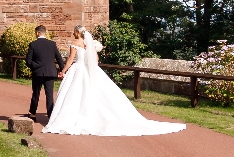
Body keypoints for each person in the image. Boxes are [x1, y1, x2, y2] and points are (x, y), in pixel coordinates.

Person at [43, 25, 185, 136]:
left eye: (74, 31)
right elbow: (95, 60)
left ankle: (72, 117)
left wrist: (63, 71)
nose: (73, 34)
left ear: (78, 32)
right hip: (89, 69)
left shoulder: (75, 43)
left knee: (74, 95)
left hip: (78, 69)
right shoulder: (88, 44)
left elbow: (70, 59)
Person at [25, 25, 65, 119]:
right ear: (45, 33)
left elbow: (28, 61)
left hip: (38, 73)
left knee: (36, 94)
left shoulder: (33, 44)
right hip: (50, 72)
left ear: (38, 33)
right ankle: (51, 116)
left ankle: (33, 114)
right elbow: (59, 58)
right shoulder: (52, 44)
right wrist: (62, 70)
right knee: (49, 95)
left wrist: (34, 66)